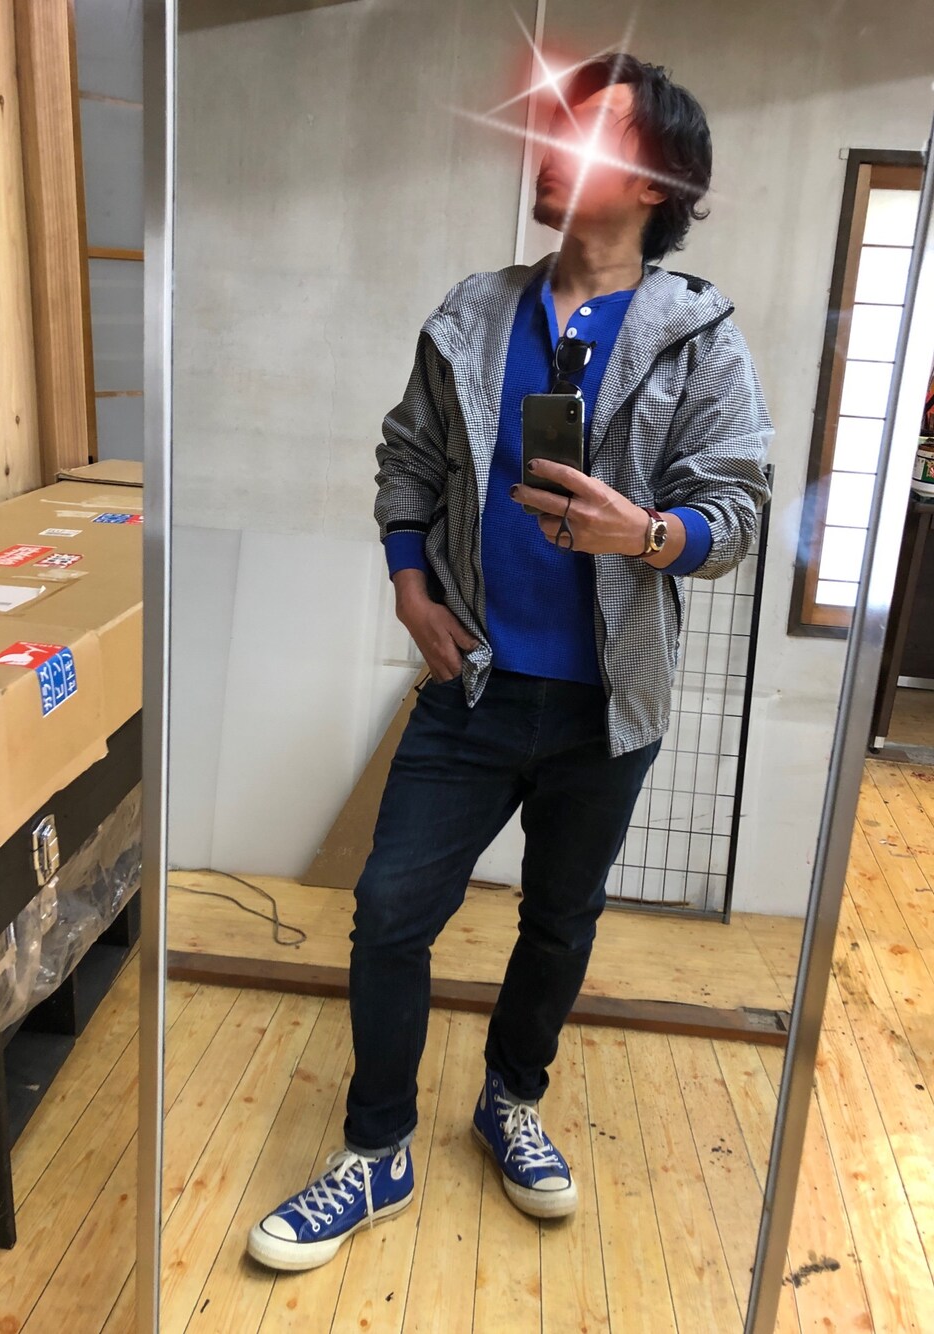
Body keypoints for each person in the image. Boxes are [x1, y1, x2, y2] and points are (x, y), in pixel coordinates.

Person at [248, 52, 772, 1272]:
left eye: (590, 133)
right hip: (471, 685)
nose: (549, 146)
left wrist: (645, 533)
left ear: (655, 182)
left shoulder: (698, 338)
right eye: (550, 125)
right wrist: (408, 585)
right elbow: (407, 458)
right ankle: (375, 1147)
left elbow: (736, 509)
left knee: (559, 919)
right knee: (389, 911)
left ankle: (508, 1099)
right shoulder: (474, 313)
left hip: (608, 706)